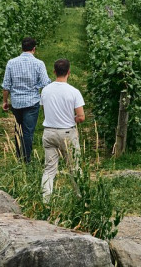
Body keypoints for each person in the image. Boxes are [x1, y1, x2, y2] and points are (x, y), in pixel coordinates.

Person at [39, 58, 85, 201]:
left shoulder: (46, 90)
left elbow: (43, 108)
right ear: (69, 72)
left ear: (54, 72)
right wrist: (73, 119)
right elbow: (81, 116)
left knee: (49, 169)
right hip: (67, 133)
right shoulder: (74, 91)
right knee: (74, 168)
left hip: (49, 132)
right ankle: (80, 198)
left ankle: (45, 200)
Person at [2, 37, 50, 163]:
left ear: (21, 48)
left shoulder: (11, 63)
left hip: (16, 102)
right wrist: (37, 87)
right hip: (32, 102)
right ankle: (26, 159)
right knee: (28, 131)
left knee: (18, 129)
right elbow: (46, 83)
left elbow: (6, 85)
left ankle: (19, 156)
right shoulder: (39, 64)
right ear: (34, 49)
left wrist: (5, 101)